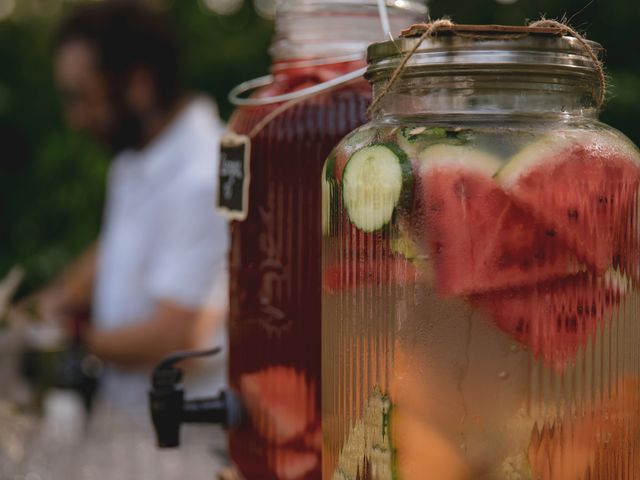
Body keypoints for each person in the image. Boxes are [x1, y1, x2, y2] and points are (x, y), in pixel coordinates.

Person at [13, 1, 229, 415]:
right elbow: (116, 248)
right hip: (128, 424)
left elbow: (179, 337)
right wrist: (28, 311)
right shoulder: (137, 155)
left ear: (138, 84)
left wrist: (62, 336)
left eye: (80, 96)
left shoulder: (201, 176)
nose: (73, 118)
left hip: (182, 441)